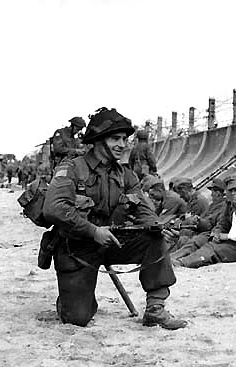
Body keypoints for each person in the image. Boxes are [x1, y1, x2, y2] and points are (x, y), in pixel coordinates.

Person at [43, 107, 186, 330]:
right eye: (115, 139)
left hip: (112, 241)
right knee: (78, 318)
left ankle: (155, 309)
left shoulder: (125, 174)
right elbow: (53, 208)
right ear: (98, 140)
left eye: (124, 139)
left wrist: (160, 227)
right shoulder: (72, 168)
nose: (122, 144)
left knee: (154, 239)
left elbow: (144, 211)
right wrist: (93, 231)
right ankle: (73, 299)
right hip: (76, 246)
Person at [173, 175, 236, 268]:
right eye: (230, 190)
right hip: (234, 243)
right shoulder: (229, 205)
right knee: (202, 239)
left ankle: (182, 263)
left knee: (212, 249)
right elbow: (222, 223)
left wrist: (227, 236)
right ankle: (172, 259)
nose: (233, 193)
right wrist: (216, 232)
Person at [166, 177, 227, 253]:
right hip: (199, 232)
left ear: (218, 193)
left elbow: (201, 223)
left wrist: (191, 221)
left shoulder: (200, 201)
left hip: (203, 235)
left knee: (181, 238)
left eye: (213, 192)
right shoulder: (212, 204)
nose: (211, 195)